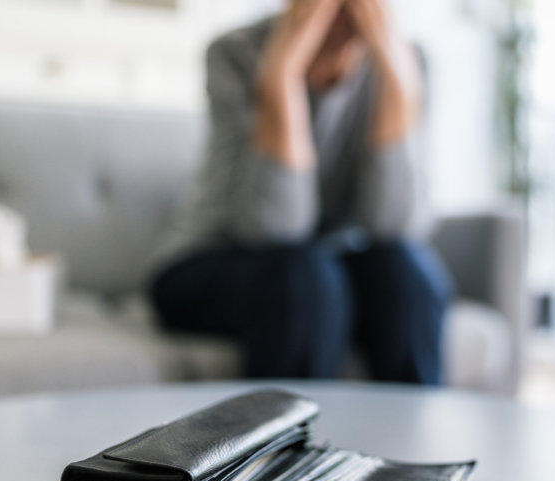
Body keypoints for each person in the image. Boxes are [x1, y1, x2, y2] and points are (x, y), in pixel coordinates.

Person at [148, 0, 453, 384]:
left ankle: (410, 442)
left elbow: (395, 225)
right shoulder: (236, 51)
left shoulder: (408, 61)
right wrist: (281, 73)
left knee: (407, 273)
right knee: (305, 277)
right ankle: (287, 445)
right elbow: (272, 228)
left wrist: (396, 77)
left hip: (327, 273)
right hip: (210, 260)